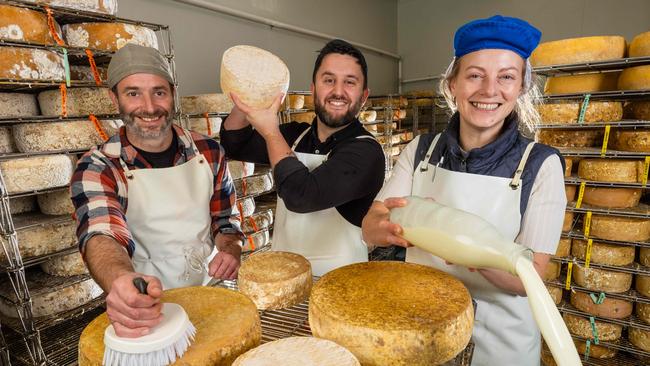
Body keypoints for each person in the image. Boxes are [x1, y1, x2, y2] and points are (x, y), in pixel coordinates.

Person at [361, 15, 566, 365]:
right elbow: (370, 227)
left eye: (506, 77)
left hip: (499, 345)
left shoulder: (540, 165)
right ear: (453, 83)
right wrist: (387, 229)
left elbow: (526, 279)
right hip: (422, 333)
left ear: (521, 87)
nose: (489, 90)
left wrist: (463, 246)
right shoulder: (421, 151)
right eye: (475, 75)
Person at [71, 44, 243, 337]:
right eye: (133, 93)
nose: (149, 107)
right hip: (146, 306)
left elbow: (225, 220)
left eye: (159, 92)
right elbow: (102, 234)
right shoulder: (99, 166)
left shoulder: (210, 151)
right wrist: (120, 280)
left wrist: (230, 248)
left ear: (173, 93)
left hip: (210, 291)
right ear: (115, 98)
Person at [220, 39, 385, 276]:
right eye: (328, 80)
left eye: (350, 82)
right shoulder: (296, 135)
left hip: (339, 286)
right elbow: (235, 143)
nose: (338, 91)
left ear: (364, 96)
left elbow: (302, 196)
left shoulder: (366, 152)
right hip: (284, 278)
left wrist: (271, 132)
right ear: (313, 89)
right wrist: (248, 95)